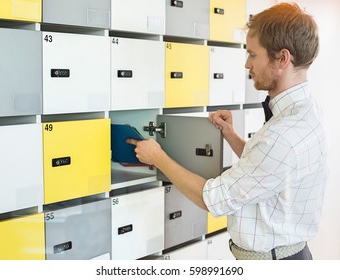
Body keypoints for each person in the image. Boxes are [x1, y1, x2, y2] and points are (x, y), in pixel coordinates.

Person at [127, 2, 327, 260]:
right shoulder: (305, 111)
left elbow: (212, 199)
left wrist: (158, 158)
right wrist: (231, 135)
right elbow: (268, 172)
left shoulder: (283, 135)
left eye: (253, 55)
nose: (247, 64)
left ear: (282, 58)